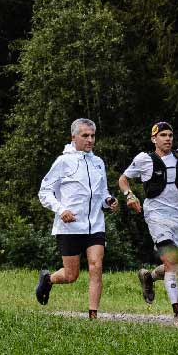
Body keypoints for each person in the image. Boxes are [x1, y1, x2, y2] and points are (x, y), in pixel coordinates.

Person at [118, 120, 178, 327]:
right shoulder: (144, 159)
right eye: (163, 136)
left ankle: (149, 277)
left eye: (170, 135)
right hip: (156, 215)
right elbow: (123, 179)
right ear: (154, 139)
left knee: (176, 266)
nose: (168, 139)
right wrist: (129, 196)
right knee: (172, 261)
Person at [35, 118, 118, 316]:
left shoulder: (98, 163)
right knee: (71, 275)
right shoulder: (63, 162)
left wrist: (109, 201)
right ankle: (48, 280)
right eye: (85, 136)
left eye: (93, 136)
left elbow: (102, 193)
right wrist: (61, 209)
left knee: (96, 266)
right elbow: (44, 192)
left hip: (95, 225)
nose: (90, 140)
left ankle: (93, 315)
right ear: (74, 137)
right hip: (70, 227)